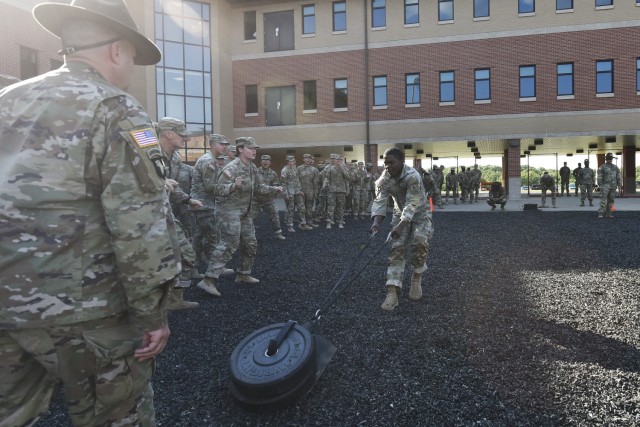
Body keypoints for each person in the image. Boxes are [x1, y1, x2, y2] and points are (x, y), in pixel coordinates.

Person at [0, 1, 180, 425]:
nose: (132, 68)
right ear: (118, 50)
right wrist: (152, 314)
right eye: (133, 57)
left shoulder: (7, 100)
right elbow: (138, 224)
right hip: (87, 313)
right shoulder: (117, 108)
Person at [197, 137, 283, 296]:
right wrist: (233, 186)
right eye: (251, 148)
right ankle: (208, 280)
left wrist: (274, 188)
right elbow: (216, 189)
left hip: (244, 212)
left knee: (250, 243)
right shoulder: (232, 167)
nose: (254, 151)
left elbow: (258, 187)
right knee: (230, 243)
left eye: (255, 148)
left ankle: (243, 274)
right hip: (228, 211)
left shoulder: (252, 167)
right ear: (240, 149)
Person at [371, 148, 434, 311]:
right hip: (400, 215)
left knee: (420, 243)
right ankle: (392, 291)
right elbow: (380, 200)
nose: (387, 166)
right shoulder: (384, 178)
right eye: (385, 163)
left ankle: (416, 277)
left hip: (420, 215)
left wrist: (401, 225)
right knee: (396, 249)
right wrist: (376, 222)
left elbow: (412, 202)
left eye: (391, 162)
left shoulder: (412, 176)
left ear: (402, 161)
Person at [157, 117, 204, 310]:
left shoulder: (174, 158)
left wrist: (187, 199)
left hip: (164, 213)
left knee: (185, 254)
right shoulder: (145, 153)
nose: (185, 139)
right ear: (168, 133)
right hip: (142, 218)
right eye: (182, 134)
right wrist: (160, 184)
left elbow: (172, 186)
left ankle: (174, 300)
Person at [191, 134, 230, 266]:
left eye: (225, 144)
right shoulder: (208, 161)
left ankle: (194, 267)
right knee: (212, 236)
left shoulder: (212, 160)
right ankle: (214, 267)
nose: (224, 147)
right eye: (221, 144)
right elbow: (210, 187)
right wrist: (230, 188)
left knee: (200, 236)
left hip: (205, 203)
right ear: (213, 145)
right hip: (204, 204)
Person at [253, 154, 286, 240]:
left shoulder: (273, 173)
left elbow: (276, 185)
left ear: (270, 162)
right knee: (250, 217)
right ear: (260, 162)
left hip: (268, 199)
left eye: (267, 160)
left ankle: (278, 233)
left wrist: (275, 193)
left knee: (275, 214)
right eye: (263, 160)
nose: (265, 162)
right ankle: (249, 235)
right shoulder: (255, 172)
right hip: (256, 199)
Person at [281, 155, 312, 232]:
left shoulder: (294, 169)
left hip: (297, 191)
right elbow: (283, 184)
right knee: (290, 209)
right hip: (290, 192)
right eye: (291, 161)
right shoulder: (284, 170)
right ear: (288, 161)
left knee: (302, 208)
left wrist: (300, 190)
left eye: (293, 161)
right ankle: (290, 226)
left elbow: (297, 180)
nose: (293, 162)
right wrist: (285, 194)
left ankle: (303, 224)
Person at [322, 153, 351, 229]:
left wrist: (342, 168)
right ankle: (329, 222)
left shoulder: (343, 168)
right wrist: (325, 185)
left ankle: (340, 222)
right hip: (332, 190)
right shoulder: (331, 168)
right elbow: (327, 178)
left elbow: (348, 177)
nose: (337, 161)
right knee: (331, 207)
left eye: (339, 160)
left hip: (341, 190)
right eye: (336, 159)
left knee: (340, 207)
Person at [297, 154, 320, 227]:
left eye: (309, 158)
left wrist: (316, 192)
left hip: (310, 192)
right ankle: (303, 223)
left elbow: (316, 182)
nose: (308, 159)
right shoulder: (299, 169)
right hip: (301, 192)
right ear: (303, 159)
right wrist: (298, 190)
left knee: (309, 208)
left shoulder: (314, 170)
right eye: (306, 158)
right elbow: (296, 180)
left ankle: (309, 222)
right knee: (302, 208)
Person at [597, 153, 621, 219]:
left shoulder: (615, 167)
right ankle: (601, 213)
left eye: (611, 159)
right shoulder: (602, 167)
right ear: (606, 159)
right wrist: (600, 185)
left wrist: (619, 185)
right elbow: (599, 177)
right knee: (603, 200)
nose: (610, 160)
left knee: (611, 200)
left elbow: (618, 177)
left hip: (613, 186)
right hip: (605, 186)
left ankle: (609, 213)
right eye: (609, 158)